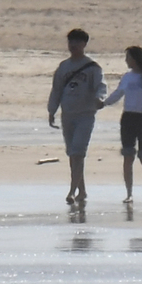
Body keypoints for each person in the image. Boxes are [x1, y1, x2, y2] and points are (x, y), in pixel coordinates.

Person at [47, 27, 107, 205]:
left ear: (84, 44)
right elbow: (56, 89)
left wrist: (100, 99)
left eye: (77, 42)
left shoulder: (92, 67)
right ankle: (82, 191)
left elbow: (101, 86)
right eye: (70, 42)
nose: (73, 45)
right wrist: (51, 111)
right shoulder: (63, 67)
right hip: (67, 115)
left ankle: (72, 191)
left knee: (78, 152)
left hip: (85, 115)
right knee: (72, 154)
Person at [101, 46, 142, 205]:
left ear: (135, 59)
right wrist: (104, 103)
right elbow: (118, 94)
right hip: (128, 118)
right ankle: (129, 193)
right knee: (128, 156)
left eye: (128, 57)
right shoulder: (127, 77)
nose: (126, 60)